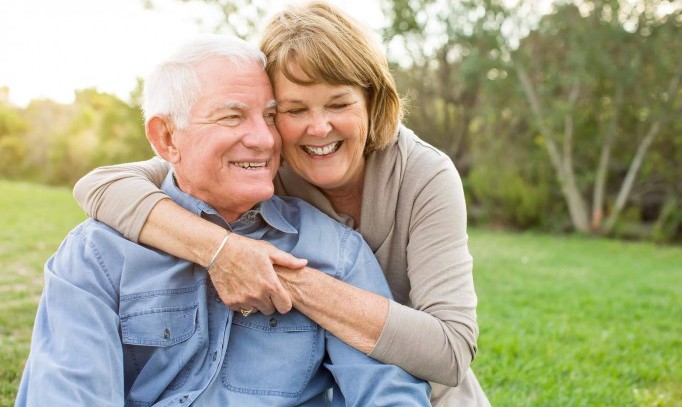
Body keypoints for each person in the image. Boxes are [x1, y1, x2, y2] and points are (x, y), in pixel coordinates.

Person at [73, 1, 489, 405]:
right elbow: (103, 184)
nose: (319, 127)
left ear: (371, 100)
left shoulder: (424, 175)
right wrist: (222, 251)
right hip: (326, 375)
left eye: (339, 103)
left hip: (426, 386)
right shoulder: (261, 164)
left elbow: (450, 351)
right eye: (293, 109)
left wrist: (275, 274)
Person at [16, 35, 431, 407]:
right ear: (166, 139)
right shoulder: (98, 255)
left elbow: (389, 393)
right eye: (232, 117)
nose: (265, 139)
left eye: (270, 116)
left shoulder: (337, 252)